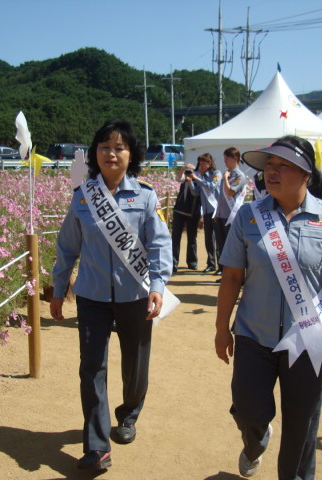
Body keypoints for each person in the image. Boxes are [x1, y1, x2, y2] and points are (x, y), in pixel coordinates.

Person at [215, 135, 322, 480]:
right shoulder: (249, 216)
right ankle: (255, 442)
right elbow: (232, 277)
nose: (271, 172)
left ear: (305, 173)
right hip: (253, 336)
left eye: (283, 166)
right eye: (269, 165)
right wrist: (221, 328)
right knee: (249, 411)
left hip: (307, 341)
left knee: (302, 427)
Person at [50, 119, 172, 471]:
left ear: (131, 154)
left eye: (119, 147)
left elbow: (160, 245)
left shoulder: (146, 196)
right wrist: (59, 288)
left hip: (136, 295)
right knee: (92, 367)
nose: (111, 153)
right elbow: (67, 247)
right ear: (95, 153)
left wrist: (158, 287)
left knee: (135, 364)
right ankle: (96, 446)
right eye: (104, 147)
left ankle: (129, 414)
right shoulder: (82, 196)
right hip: (92, 296)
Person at [213, 147, 247, 277]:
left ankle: (232, 273)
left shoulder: (239, 176)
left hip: (232, 216)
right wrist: (217, 213)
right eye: (224, 158)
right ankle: (222, 270)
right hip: (221, 215)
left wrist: (226, 179)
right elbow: (221, 197)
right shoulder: (227, 174)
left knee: (232, 246)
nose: (225, 161)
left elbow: (230, 192)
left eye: (227, 158)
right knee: (220, 244)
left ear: (235, 159)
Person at [189, 153, 222, 273]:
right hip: (207, 212)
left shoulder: (216, 173)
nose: (201, 166)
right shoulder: (200, 177)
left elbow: (211, 186)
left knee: (219, 239)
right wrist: (190, 182)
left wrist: (197, 179)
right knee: (208, 239)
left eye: (203, 164)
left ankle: (221, 266)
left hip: (217, 211)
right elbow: (196, 193)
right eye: (200, 164)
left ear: (209, 163)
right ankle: (211, 264)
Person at [171, 163, 202, 273]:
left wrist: (191, 181)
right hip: (179, 210)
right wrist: (184, 168)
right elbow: (178, 178)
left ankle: (192, 262)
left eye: (191, 172)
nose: (188, 174)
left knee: (192, 238)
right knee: (175, 237)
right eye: (187, 172)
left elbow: (195, 193)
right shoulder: (184, 178)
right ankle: (173, 263)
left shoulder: (199, 180)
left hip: (192, 212)